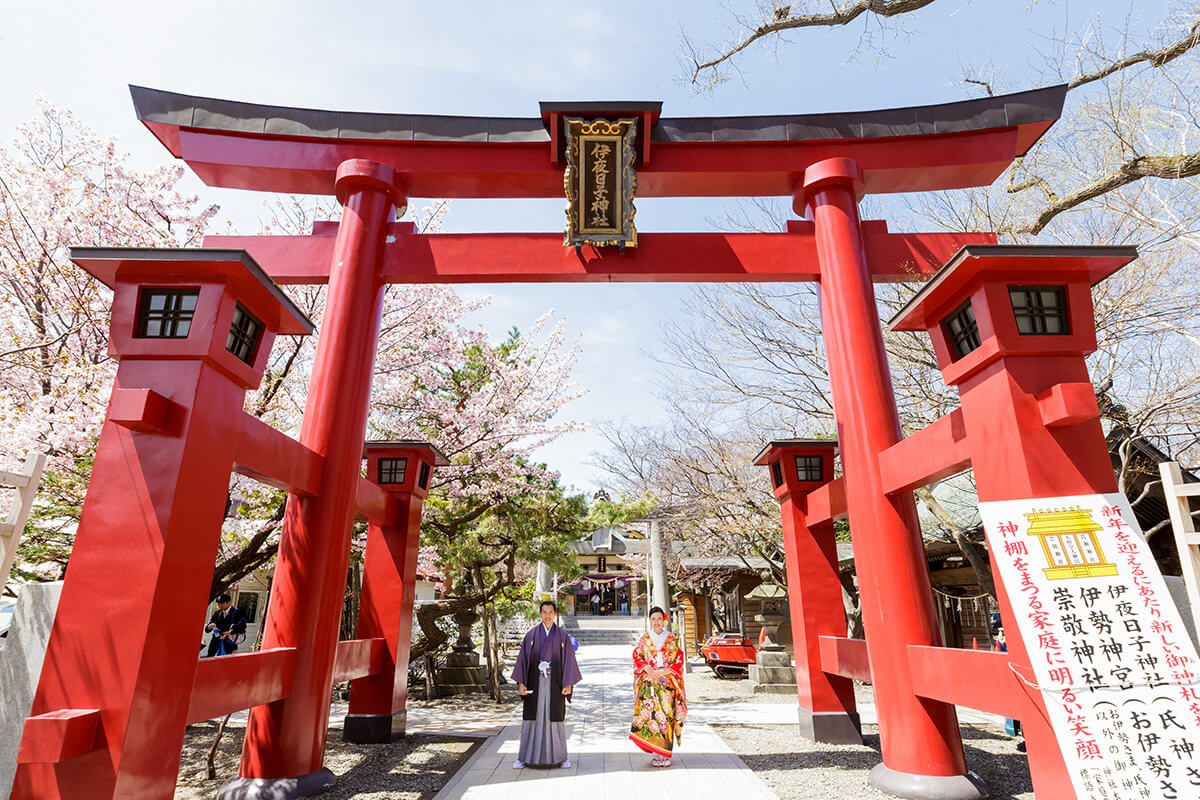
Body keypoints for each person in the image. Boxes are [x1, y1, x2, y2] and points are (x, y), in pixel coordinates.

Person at [511, 600, 582, 769]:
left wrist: (569, 683)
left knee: (555, 718)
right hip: (534, 681)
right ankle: (524, 757)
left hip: (555, 681)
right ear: (540, 614)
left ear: (555, 614)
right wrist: (521, 683)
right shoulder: (531, 635)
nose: (547, 615)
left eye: (550, 612)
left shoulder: (562, 635)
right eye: (544, 612)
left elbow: (569, 661)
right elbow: (522, 660)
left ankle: (561, 756)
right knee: (531, 717)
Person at [629, 606, 687, 767]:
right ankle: (656, 752)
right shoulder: (645, 639)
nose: (656, 622)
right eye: (653, 619)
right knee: (651, 717)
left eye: (659, 619)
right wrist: (646, 668)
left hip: (666, 683)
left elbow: (679, 658)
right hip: (649, 683)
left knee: (666, 717)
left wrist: (668, 670)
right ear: (650, 620)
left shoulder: (671, 638)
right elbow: (637, 656)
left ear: (664, 620)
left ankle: (665, 753)